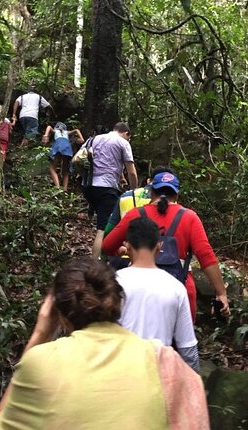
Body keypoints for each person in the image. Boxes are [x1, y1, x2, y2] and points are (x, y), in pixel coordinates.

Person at [0, 258, 209, 430]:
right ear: (117, 304)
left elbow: (3, 422)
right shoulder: (163, 359)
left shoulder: (40, 361)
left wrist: (40, 334)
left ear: (57, 313)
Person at [102, 170, 230, 320]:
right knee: (180, 342)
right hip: (181, 288)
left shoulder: (135, 214)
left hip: (140, 291)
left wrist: (122, 250)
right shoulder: (189, 217)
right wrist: (221, 293)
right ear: (176, 195)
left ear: (151, 193)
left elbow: (107, 245)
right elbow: (206, 256)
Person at [117, 217, 199, 372]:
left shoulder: (114, 282)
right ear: (159, 246)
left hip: (122, 374)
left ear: (127, 246)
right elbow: (188, 349)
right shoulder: (176, 288)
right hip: (160, 377)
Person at [83, 121, 138, 258]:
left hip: (88, 186)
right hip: (105, 188)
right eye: (128, 138)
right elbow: (131, 172)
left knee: (103, 221)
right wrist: (134, 191)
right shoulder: (123, 142)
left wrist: (119, 177)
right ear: (126, 133)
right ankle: (96, 265)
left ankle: (105, 258)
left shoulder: (94, 139)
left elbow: (79, 158)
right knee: (104, 229)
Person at [42, 122, 83, 191]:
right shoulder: (66, 132)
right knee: (65, 171)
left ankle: (58, 188)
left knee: (52, 169)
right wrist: (82, 138)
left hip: (58, 145)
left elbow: (49, 127)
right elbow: (76, 130)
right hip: (67, 147)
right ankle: (65, 190)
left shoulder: (56, 131)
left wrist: (46, 135)